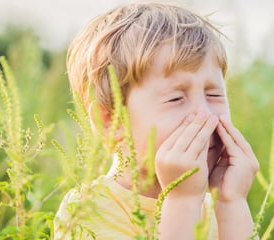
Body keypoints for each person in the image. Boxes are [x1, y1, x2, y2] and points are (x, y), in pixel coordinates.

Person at [54, 1, 259, 239]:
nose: (206, 115)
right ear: (111, 122)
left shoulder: (213, 207)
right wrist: (181, 199)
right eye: (175, 99)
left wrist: (231, 201)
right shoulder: (87, 211)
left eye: (214, 95)